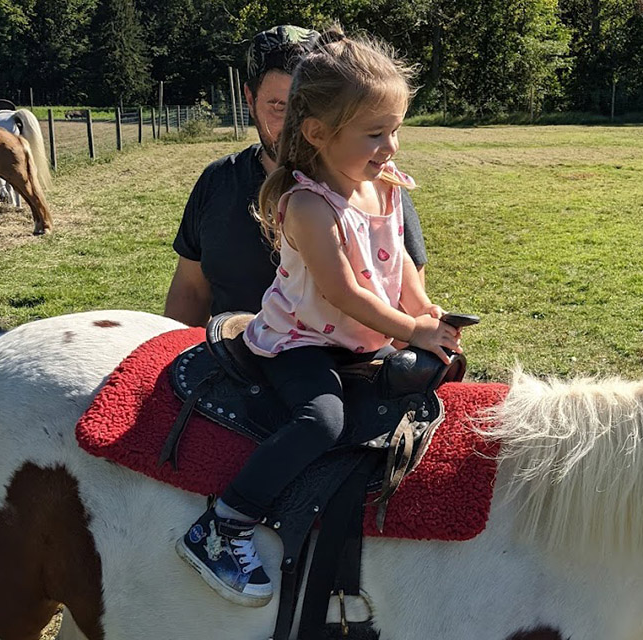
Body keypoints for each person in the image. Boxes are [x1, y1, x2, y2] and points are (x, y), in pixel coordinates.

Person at [175, 26, 462, 608]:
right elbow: (342, 293)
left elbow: (399, 258)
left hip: (355, 341)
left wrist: (422, 307)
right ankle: (223, 523)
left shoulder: (380, 186)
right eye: (376, 133)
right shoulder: (307, 205)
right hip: (302, 340)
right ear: (318, 134)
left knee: (433, 384)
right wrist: (412, 330)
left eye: (396, 130)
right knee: (321, 420)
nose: (392, 148)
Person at [164, 25, 429, 327]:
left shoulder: (376, 187)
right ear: (249, 99)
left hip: (351, 360)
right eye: (280, 107)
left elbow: (404, 291)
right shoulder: (218, 182)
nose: (297, 125)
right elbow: (190, 292)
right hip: (246, 360)